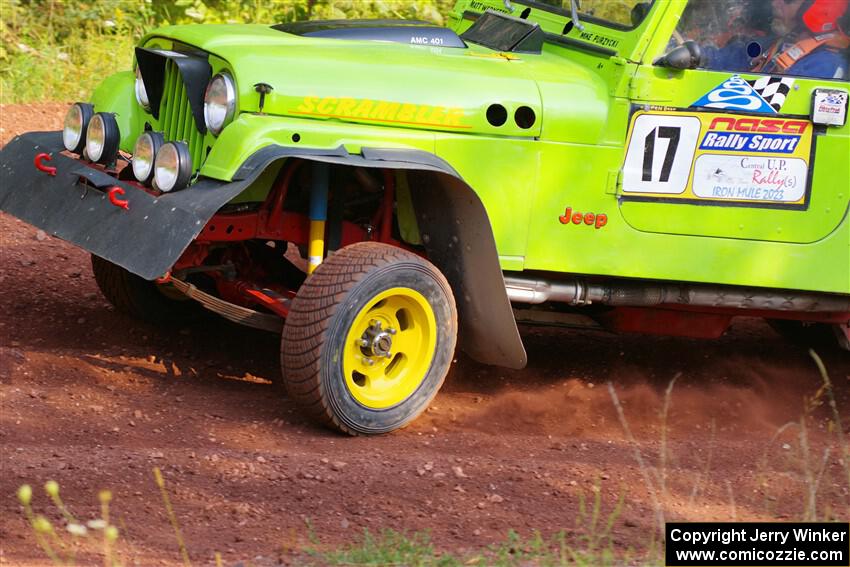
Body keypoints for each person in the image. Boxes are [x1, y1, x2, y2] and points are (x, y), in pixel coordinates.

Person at [752, 0, 850, 79]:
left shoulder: (825, 64)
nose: (774, 4)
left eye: (788, 1)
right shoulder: (773, 43)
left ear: (818, 10)